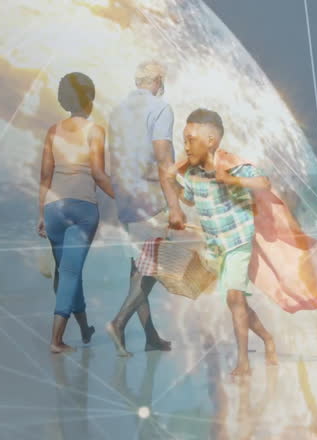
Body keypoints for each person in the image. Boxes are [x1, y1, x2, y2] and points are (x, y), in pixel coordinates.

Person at [175, 108, 277, 376]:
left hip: (238, 241)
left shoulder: (231, 165)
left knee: (234, 298)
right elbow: (187, 199)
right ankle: (267, 337)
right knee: (237, 302)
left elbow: (264, 183)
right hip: (216, 246)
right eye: (183, 140)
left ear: (211, 140)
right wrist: (171, 200)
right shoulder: (191, 173)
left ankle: (243, 361)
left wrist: (230, 179)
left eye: (190, 140)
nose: (185, 146)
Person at [105, 60, 186, 356]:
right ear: (158, 80)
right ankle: (118, 322)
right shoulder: (160, 108)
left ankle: (150, 336)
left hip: (125, 196)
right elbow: (164, 159)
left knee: (138, 265)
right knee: (152, 268)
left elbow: (114, 156)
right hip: (151, 196)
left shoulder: (117, 111)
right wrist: (175, 205)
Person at [37, 72, 115, 354]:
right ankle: (56, 340)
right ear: (89, 98)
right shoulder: (96, 131)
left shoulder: (53, 131)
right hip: (82, 208)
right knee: (70, 272)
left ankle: (84, 329)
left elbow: (45, 177)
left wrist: (41, 215)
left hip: (54, 209)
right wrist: (123, 199)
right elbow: (98, 174)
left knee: (69, 271)